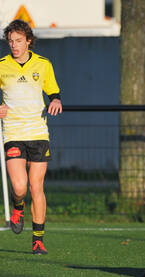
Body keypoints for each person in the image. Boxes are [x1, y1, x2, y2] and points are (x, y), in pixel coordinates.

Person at [0, 20, 62, 254]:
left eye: (18, 41)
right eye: (10, 42)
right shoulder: (2, 65)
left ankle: (38, 239)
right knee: (19, 186)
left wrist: (56, 100)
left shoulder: (43, 64)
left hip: (38, 132)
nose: (14, 46)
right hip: (13, 132)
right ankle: (18, 206)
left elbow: (53, 90)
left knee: (37, 186)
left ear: (28, 41)